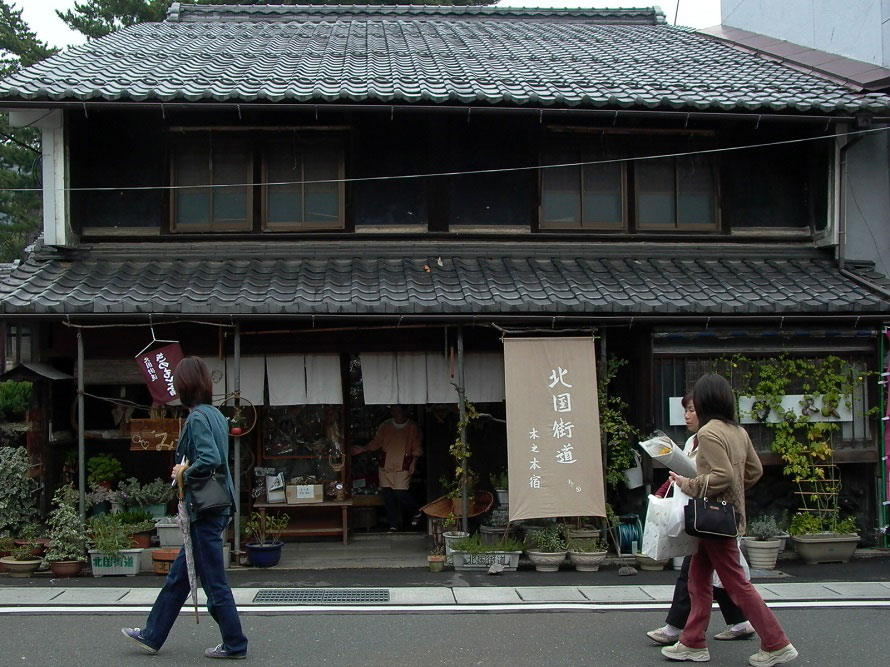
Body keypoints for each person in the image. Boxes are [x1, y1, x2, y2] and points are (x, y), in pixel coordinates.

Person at [663, 373, 798, 666]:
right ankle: (692, 641)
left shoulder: (709, 433)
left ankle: (776, 643)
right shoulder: (737, 431)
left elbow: (722, 476)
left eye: (695, 399)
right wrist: (735, 495)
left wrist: (687, 484)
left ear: (705, 400)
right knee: (698, 580)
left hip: (711, 519)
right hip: (727, 517)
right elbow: (754, 471)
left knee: (736, 584)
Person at [122, 356, 248, 660]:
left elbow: (210, 459)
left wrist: (183, 473)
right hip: (214, 505)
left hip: (204, 509)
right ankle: (152, 636)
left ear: (183, 386)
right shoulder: (216, 415)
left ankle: (235, 643)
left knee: (214, 581)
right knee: (179, 578)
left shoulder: (196, 419)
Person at [647, 393, 754, 646]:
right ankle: (739, 624)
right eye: (685, 410)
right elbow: (749, 472)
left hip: (712, 515)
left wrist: (704, 486)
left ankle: (677, 630)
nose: (687, 415)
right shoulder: (695, 440)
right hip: (705, 513)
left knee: (696, 573)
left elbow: (722, 476)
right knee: (718, 574)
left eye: (692, 410)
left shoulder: (711, 438)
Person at [350, 405, 423, 532]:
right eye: (393, 411)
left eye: (398, 411)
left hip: (403, 464)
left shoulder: (412, 427)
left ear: (404, 412)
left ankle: (416, 511)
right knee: (388, 495)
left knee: (401, 493)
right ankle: (393, 524)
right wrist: (363, 449)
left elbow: (416, 446)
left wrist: (414, 463)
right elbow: (376, 442)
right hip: (386, 464)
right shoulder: (386, 425)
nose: (395, 414)